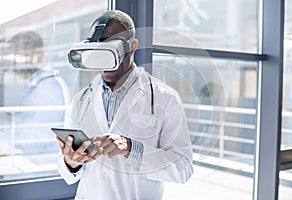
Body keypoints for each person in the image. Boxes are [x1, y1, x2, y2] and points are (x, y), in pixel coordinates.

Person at [56, 10, 193, 200]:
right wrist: (71, 161)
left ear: (133, 46)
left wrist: (132, 149)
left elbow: (183, 168)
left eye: (112, 48)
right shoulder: (81, 99)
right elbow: (68, 171)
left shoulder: (164, 98)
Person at [9, 31, 71, 154]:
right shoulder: (38, 85)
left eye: (19, 57)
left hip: (40, 164)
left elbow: (32, 143)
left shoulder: (48, 90)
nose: (13, 66)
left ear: (38, 55)